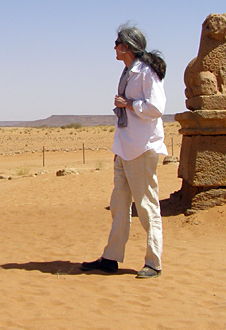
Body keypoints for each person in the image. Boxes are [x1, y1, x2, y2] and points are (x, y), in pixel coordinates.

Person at [81, 24, 167, 278]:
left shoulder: (147, 72)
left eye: (117, 43)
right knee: (119, 205)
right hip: (125, 148)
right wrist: (118, 148)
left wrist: (129, 104)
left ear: (127, 46)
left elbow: (156, 108)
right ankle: (111, 258)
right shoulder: (128, 71)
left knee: (147, 206)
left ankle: (154, 262)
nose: (114, 47)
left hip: (142, 148)